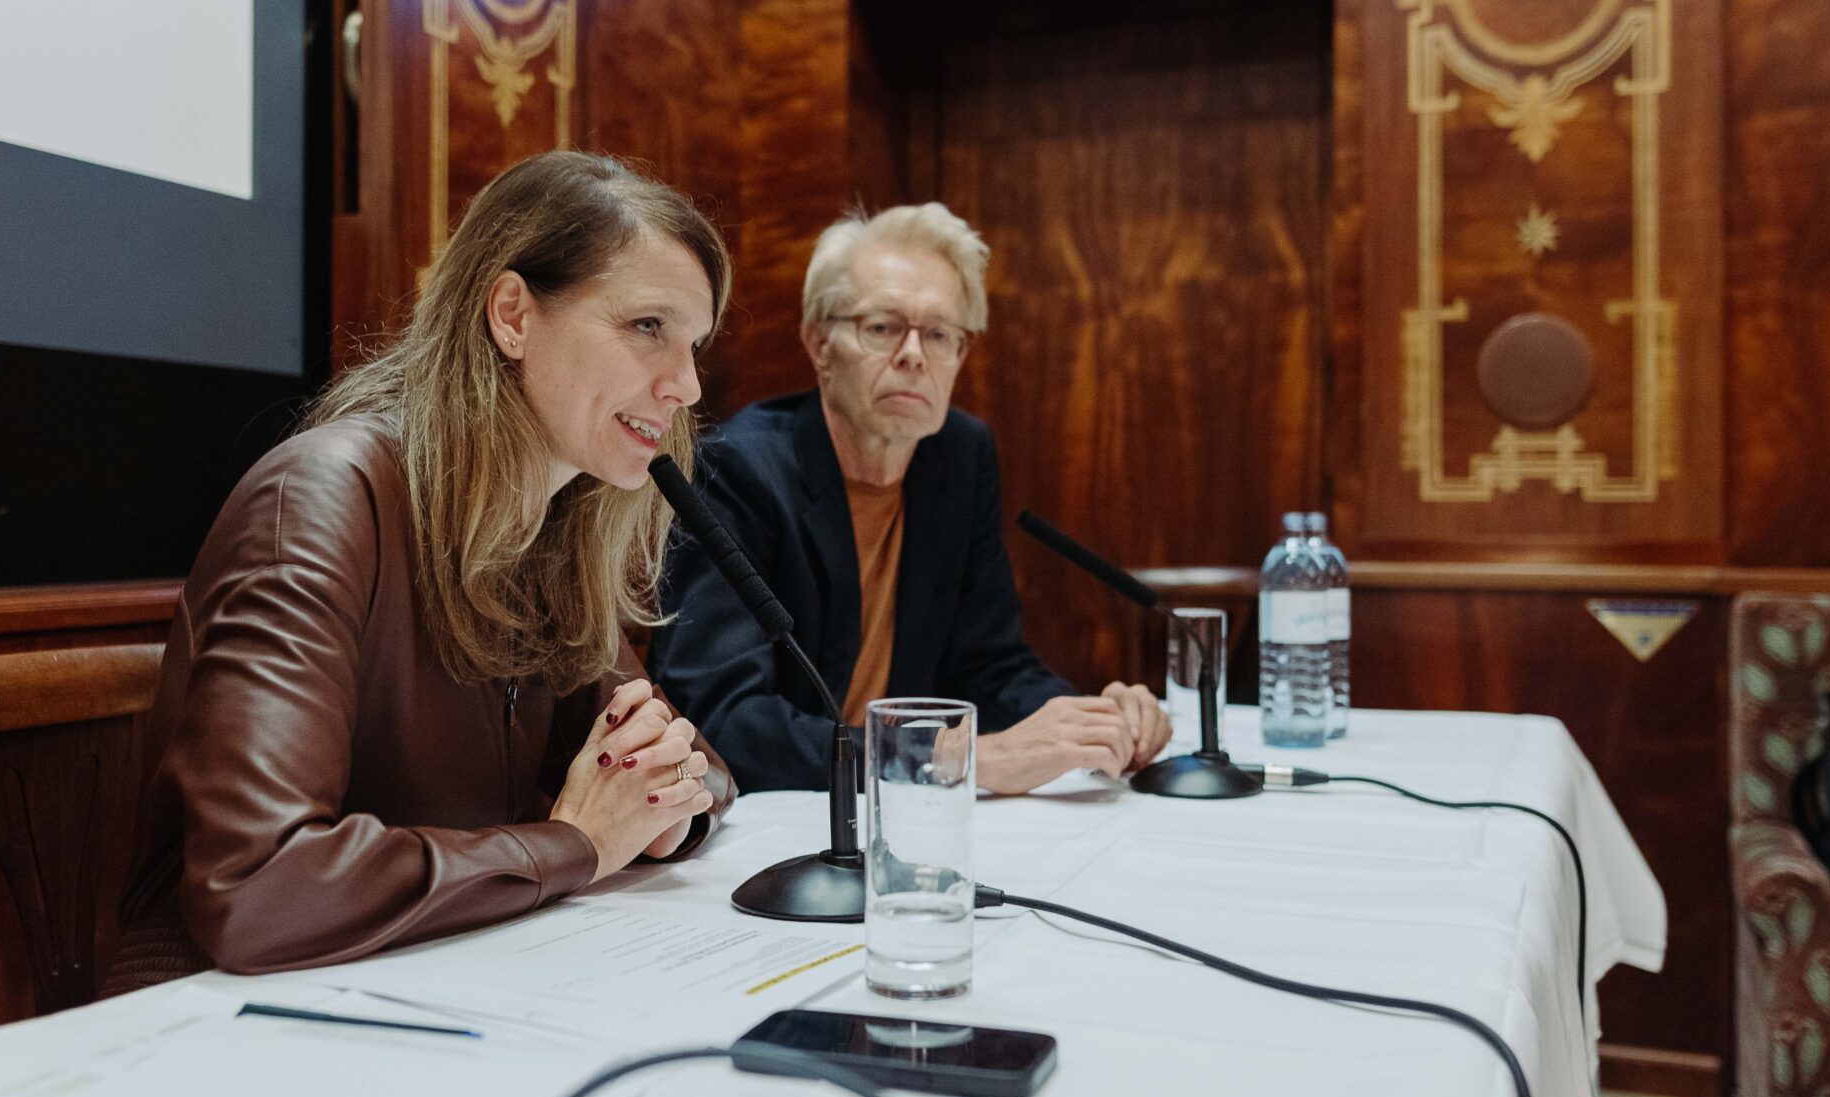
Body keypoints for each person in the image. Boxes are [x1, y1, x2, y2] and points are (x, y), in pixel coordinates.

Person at [112, 151, 735, 986]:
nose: (687, 386)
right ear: (512, 314)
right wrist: (576, 844)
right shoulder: (325, 497)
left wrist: (663, 813)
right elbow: (258, 884)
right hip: (221, 1015)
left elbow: (688, 765)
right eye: (647, 327)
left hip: (435, 975)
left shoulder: (555, 529)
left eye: (694, 344)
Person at [648, 203, 1172, 795]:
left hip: (909, 813)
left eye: (941, 334)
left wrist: (1089, 724)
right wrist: (941, 756)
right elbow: (725, 719)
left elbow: (989, 663)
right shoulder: (740, 471)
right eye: (882, 328)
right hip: (784, 822)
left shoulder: (958, 455)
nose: (915, 354)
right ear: (819, 343)